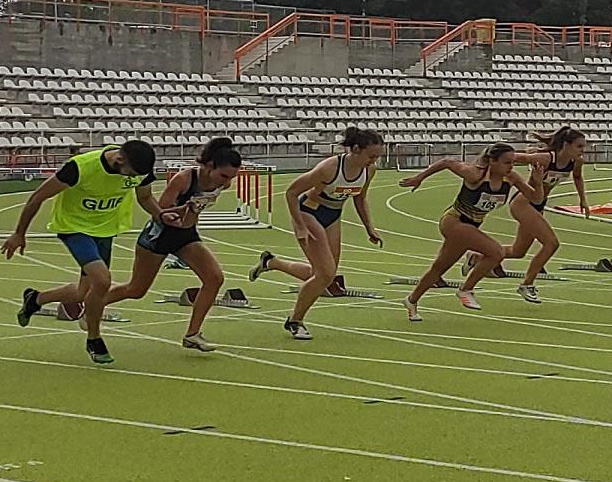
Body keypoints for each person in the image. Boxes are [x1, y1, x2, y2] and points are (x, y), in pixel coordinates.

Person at [3, 140, 160, 364]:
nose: (132, 179)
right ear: (120, 159)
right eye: (131, 174)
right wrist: (19, 233)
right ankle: (94, 339)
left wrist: (161, 216)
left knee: (82, 293)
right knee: (102, 281)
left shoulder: (139, 170)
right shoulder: (80, 167)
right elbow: (38, 197)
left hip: (105, 230)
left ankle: (35, 299)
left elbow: (145, 197)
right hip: (74, 228)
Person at [101, 137, 242, 352]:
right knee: (136, 289)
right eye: (223, 175)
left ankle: (192, 334)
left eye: (231, 177)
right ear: (209, 166)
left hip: (186, 236)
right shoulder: (184, 179)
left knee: (214, 278)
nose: (226, 182)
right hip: (160, 236)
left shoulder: (223, 182)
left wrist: (194, 210)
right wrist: (184, 208)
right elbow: (160, 211)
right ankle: (94, 304)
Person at [248, 127, 384, 340]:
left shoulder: (369, 170)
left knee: (323, 275)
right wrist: (300, 226)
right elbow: (291, 192)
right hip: (309, 212)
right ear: (356, 149)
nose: (374, 160)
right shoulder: (329, 168)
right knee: (325, 274)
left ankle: (272, 263)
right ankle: (295, 321)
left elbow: (360, 198)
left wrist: (369, 228)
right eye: (371, 156)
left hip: (333, 215)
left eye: (377, 156)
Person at [398, 143, 544, 321]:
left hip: (471, 227)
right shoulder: (475, 174)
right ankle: (466, 289)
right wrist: (419, 178)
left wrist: (538, 182)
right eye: (506, 162)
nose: (511, 166)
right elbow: (446, 162)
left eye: (513, 162)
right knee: (496, 252)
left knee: (439, 268)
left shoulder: (511, 178)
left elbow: (536, 199)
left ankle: (411, 300)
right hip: (454, 221)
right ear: (492, 161)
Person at [487, 126, 590, 303]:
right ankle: (527, 284)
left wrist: (583, 200)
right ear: (566, 145)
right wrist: (486, 163)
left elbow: (578, 177)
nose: (582, 150)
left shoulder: (576, 162)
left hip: (539, 204)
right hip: (523, 203)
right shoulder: (546, 158)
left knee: (518, 251)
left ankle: (478, 255)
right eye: (579, 146)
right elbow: (517, 157)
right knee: (551, 243)